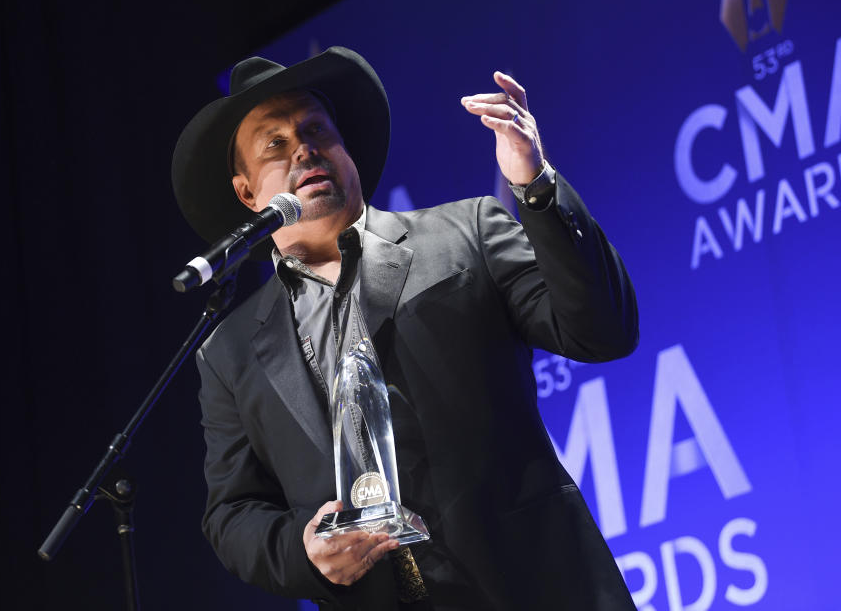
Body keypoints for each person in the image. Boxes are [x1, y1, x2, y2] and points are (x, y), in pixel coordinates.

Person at [171, 47, 639, 610]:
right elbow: (232, 512)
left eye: (317, 129)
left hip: (535, 586)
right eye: (276, 144)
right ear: (247, 193)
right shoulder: (230, 351)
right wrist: (302, 549)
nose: (304, 148)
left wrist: (534, 185)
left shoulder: (466, 233)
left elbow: (602, 331)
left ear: (348, 154)